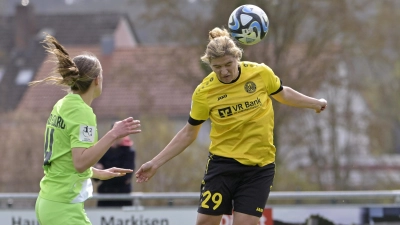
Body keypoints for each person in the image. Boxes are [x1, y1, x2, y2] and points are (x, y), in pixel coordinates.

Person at [135, 27, 327, 225]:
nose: (224, 71)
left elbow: (282, 93)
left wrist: (314, 103)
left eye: (229, 64)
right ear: (210, 64)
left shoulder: (260, 73)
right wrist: (155, 163)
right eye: (217, 67)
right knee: (206, 222)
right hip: (223, 164)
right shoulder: (204, 93)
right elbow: (188, 133)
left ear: (238, 57)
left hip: (259, 167)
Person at [30, 34, 141, 225]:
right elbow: (80, 162)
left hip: (48, 202)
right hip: (62, 207)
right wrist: (114, 134)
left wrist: (98, 173)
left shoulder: (63, 104)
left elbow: (66, 160)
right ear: (97, 80)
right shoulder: (82, 112)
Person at [95, 133, 135, 207]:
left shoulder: (129, 151)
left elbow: (126, 176)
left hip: (122, 197)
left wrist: (104, 172)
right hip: (105, 196)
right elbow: (95, 177)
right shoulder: (104, 150)